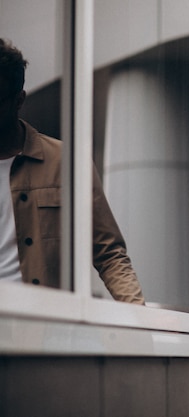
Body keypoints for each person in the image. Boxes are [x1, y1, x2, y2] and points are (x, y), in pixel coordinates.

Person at [0, 38, 144, 304]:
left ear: (18, 100)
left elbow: (109, 253)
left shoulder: (65, 162)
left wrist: (140, 319)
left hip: (44, 330)